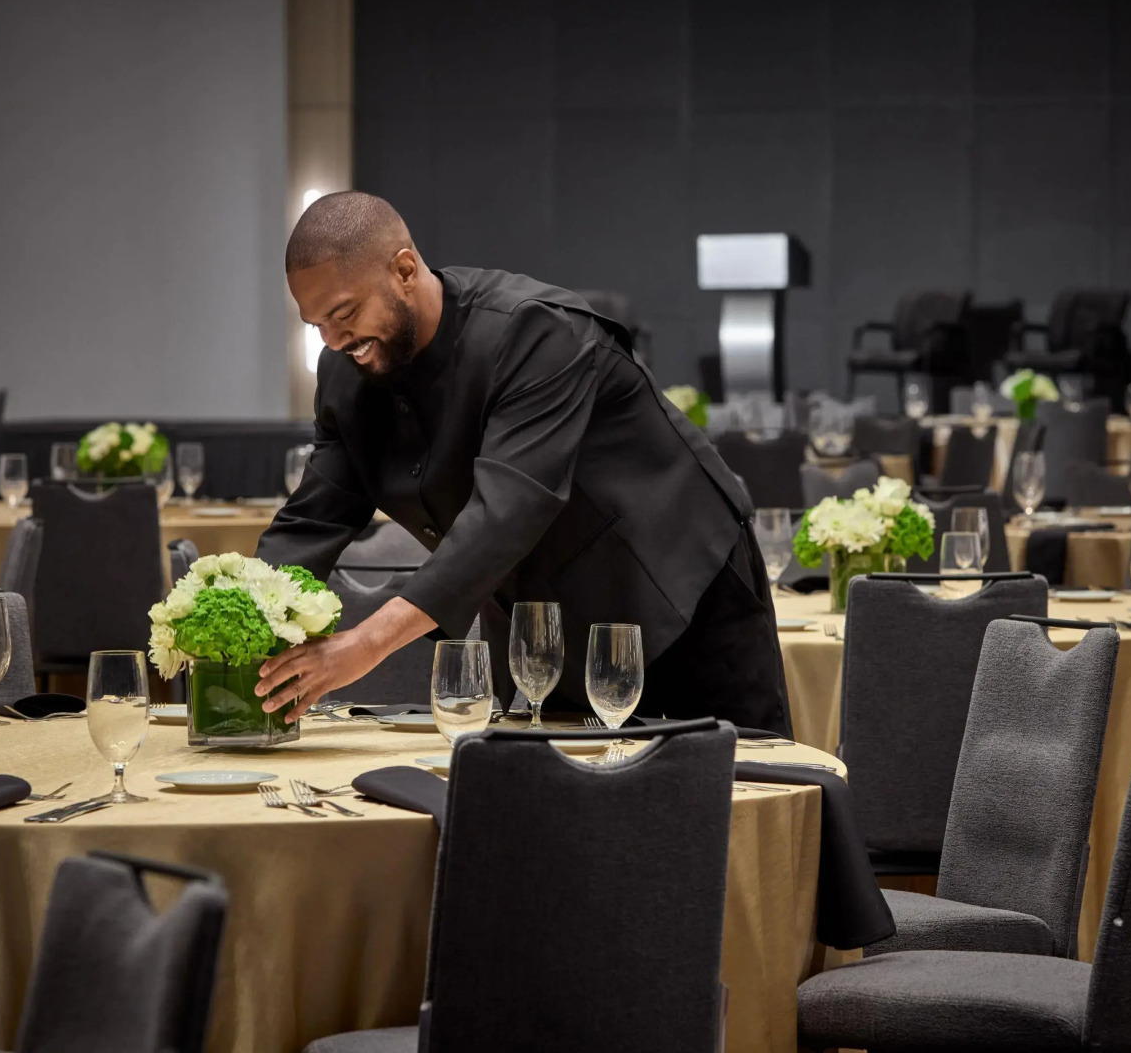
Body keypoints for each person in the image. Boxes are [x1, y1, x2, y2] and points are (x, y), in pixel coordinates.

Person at [253, 191, 790, 734]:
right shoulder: (346, 373)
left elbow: (505, 514)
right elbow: (315, 517)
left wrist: (366, 644)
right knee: (554, 804)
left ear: (405, 270)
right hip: (542, 623)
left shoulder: (536, 333)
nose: (333, 340)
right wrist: (241, 618)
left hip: (682, 589)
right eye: (316, 323)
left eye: (343, 314)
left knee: (729, 795)